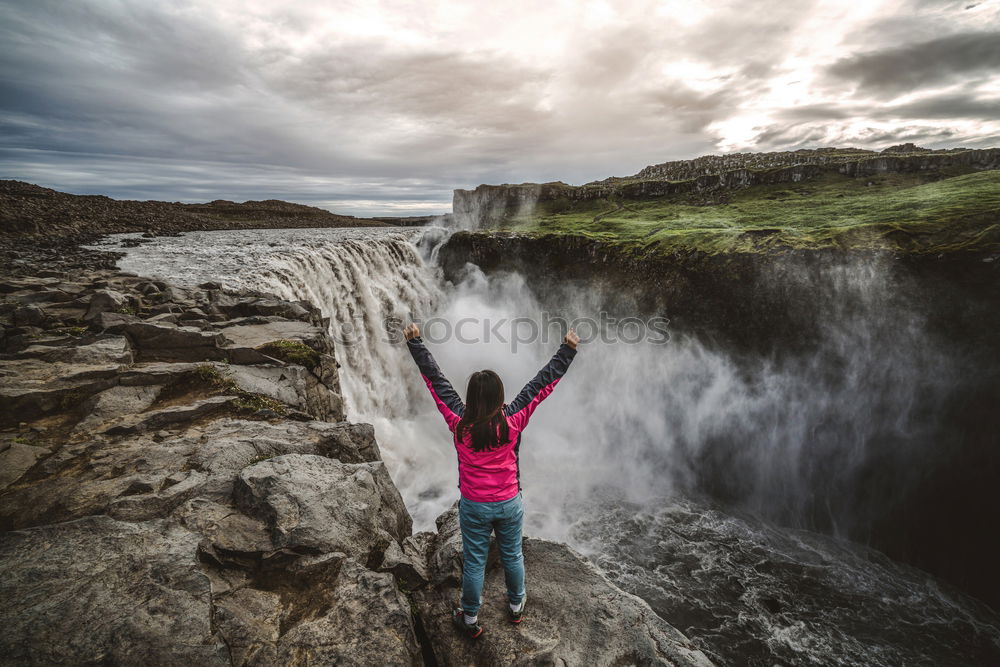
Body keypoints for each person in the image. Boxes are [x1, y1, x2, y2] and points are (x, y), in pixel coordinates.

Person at [403, 322, 580, 639]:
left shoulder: (458, 423)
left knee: (474, 562)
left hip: (474, 506)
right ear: (501, 397)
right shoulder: (513, 420)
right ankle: (515, 606)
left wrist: (416, 344)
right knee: (512, 555)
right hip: (509, 502)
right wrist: (567, 351)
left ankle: (469, 617)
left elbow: (436, 381)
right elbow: (541, 384)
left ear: (470, 399)